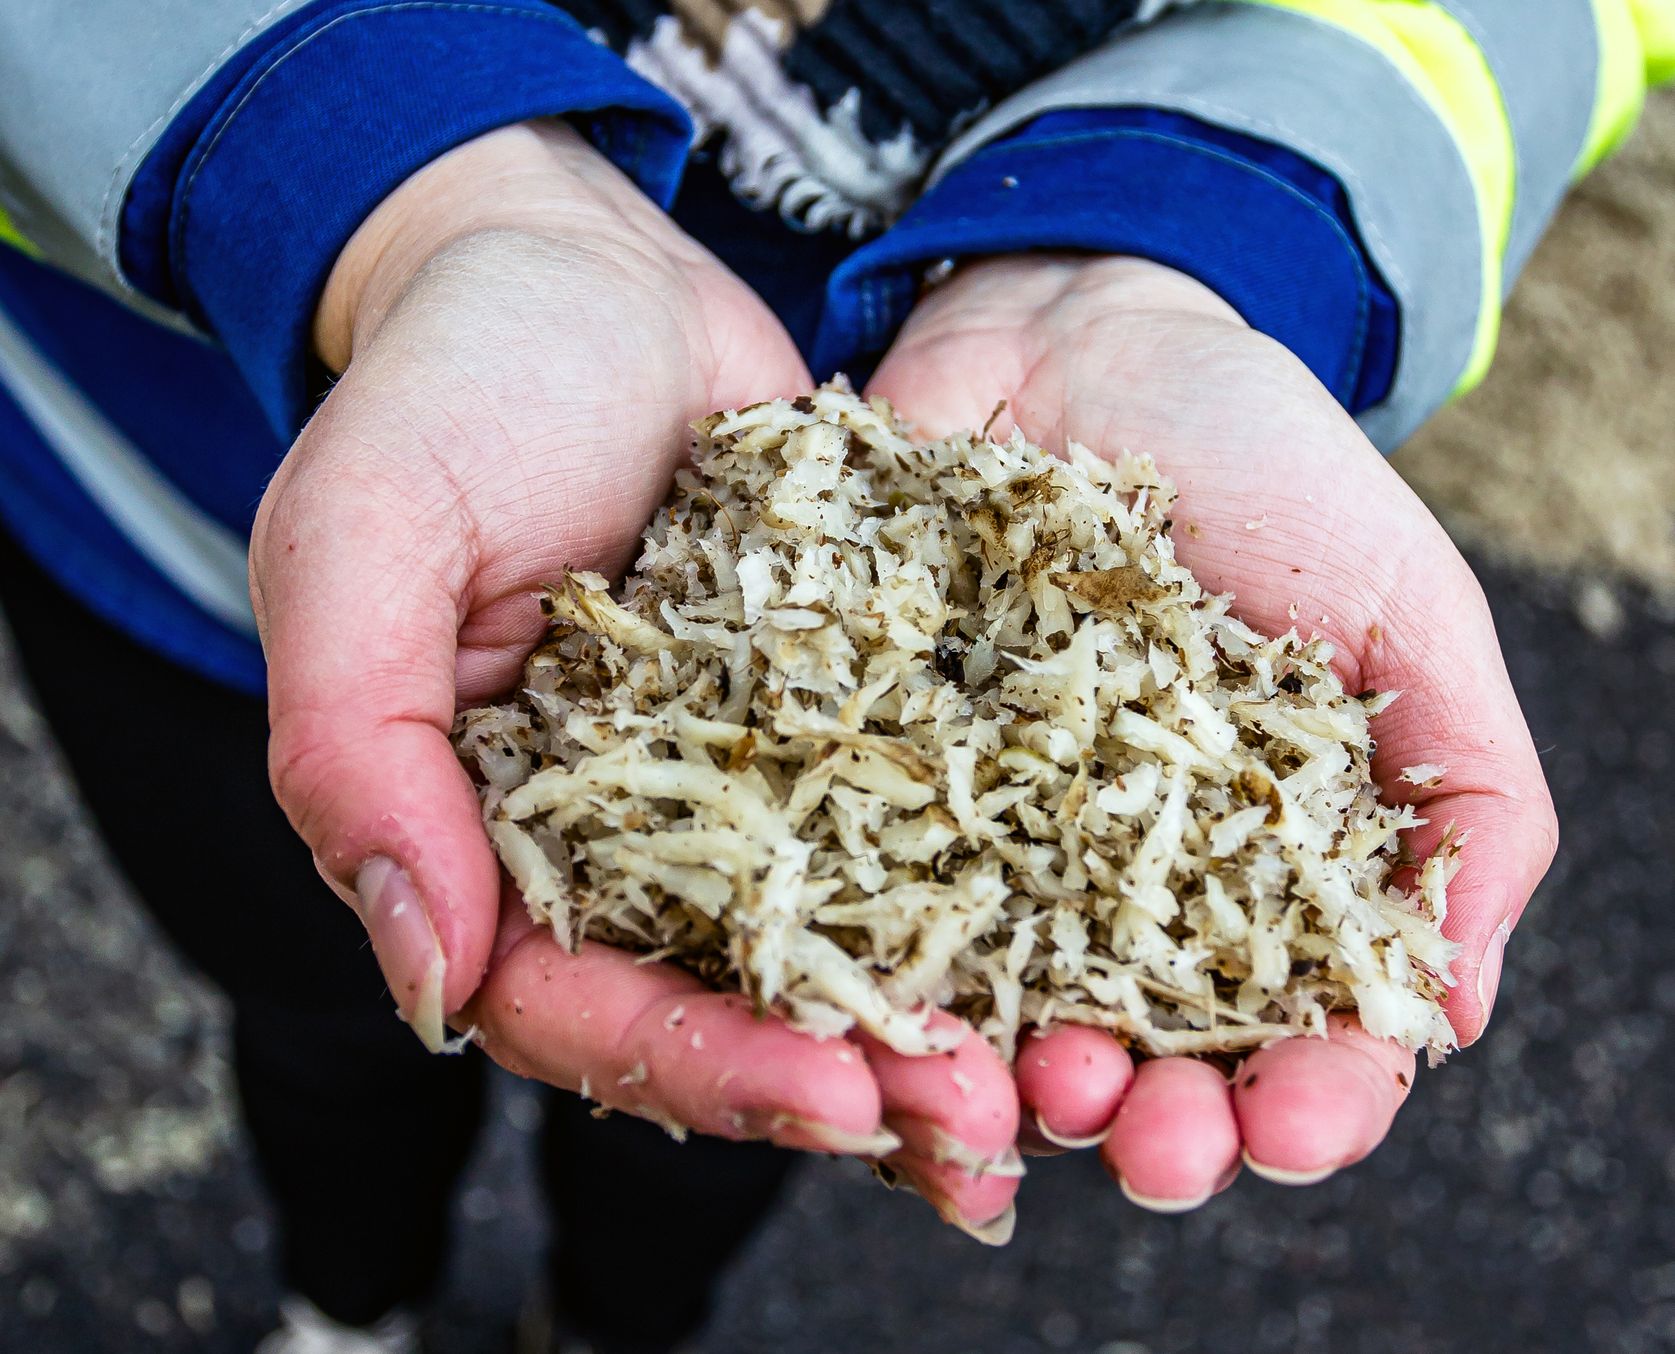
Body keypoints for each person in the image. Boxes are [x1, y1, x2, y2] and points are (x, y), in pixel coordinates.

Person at [2, 1, 1669, 1349]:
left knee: (748, 1108)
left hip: (1042, 300)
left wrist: (1212, 214)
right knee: (320, 1011)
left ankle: (611, 1323)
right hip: (169, 492)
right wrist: (354, 150)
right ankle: (346, 1305)